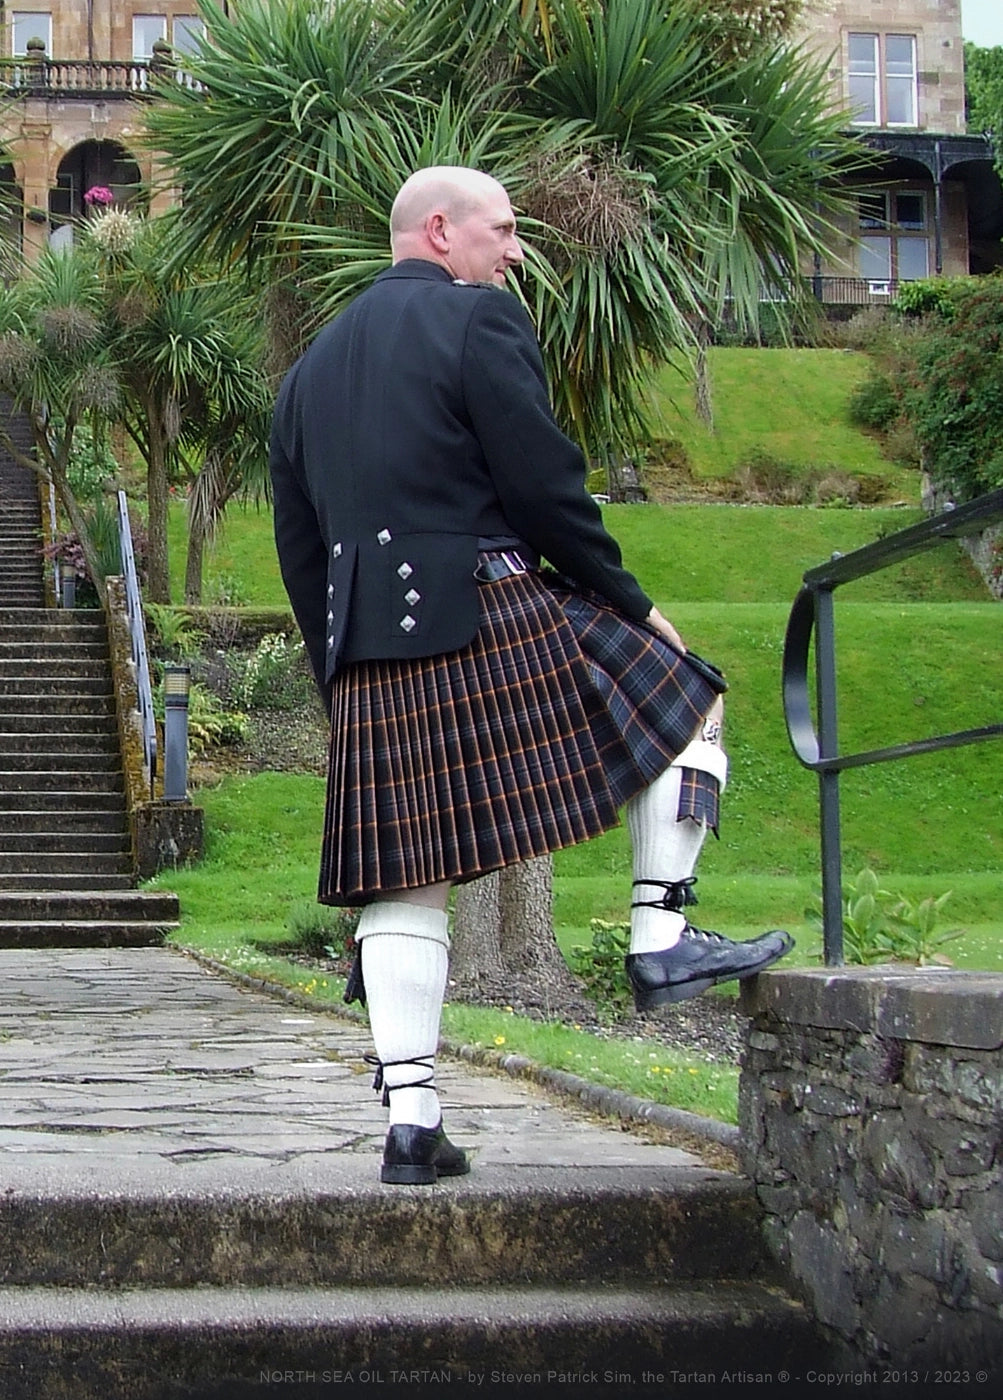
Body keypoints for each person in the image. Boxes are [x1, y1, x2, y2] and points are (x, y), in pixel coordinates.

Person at [269, 166, 793, 1185]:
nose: (515, 251)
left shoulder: (304, 376)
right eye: (503, 230)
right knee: (689, 694)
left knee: (403, 875)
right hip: (487, 598)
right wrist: (638, 605)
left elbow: (300, 551)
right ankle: (660, 934)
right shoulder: (477, 324)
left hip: (366, 644)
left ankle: (412, 1124)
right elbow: (547, 489)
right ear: (439, 230)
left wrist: (337, 670)